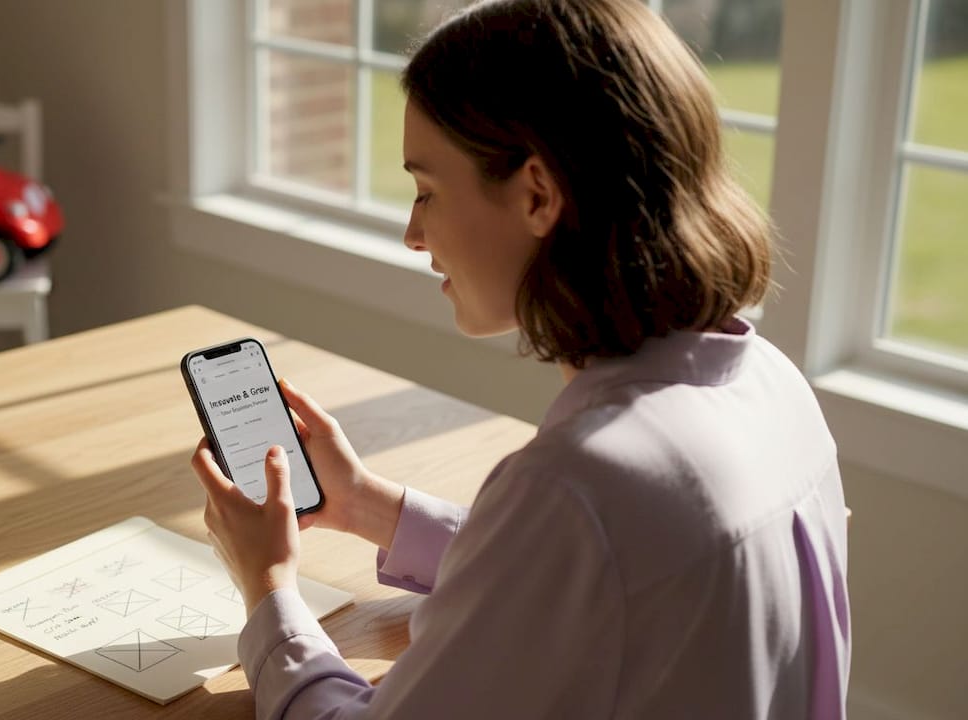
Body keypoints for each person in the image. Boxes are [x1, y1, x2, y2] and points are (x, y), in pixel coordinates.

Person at [190, 0, 851, 717]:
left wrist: (269, 592)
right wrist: (368, 507)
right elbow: (590, 579)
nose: (413, 233)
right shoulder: (772, 385)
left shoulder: (581, 486)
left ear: (537, 193)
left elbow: (576, 545)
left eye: (427, 190)